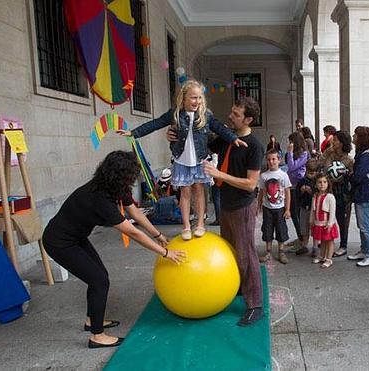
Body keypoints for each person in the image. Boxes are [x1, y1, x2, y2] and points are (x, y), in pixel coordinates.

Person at [42, 151, 185, 348]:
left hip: (75, 237)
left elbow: (135, 212)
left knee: (100, 276)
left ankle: (92, 320)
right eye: (130, 176)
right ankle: (97, 336)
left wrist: (158, 235)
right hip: (59, 242)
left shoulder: (116, 186)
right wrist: (165, 253)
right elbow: (132, 232)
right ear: (118, 175)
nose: (132, 180)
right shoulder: (99, 198)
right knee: (99, 281)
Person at [118, 80, 245, 241]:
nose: (197, 101)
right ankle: (185, 226)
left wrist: (234, 139)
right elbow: (155, 123)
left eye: (199, 98)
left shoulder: (206, 115)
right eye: (193, 98)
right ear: (183, 98)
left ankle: (200, 224)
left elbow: (219, 128)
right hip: (182, 160)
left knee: (199, 191)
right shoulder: (175, 114)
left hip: (199, 160)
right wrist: (133, 133)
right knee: (185, 193)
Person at [203, 97, 265, 326]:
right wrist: (176, 136)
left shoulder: (255, 146)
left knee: (246, 254)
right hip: (226, 205)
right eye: (231, 112)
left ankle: (255, 304)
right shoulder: (226, 138)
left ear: (248, 119)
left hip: (242, 206)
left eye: (236, 114)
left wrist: (220, 175)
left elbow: (251, 184)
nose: (230, 116)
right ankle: (235, 287)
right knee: (229, 251)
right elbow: (203, 142)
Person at [347, 126, 369, 267]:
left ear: (361, 138)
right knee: (362, 225)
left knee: (365, 226)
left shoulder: (366, 156)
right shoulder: (363, 154)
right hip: (362, 194)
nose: (353, 137)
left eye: (355, 135)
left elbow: (358, 176)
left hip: (365, 194)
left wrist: (349, 175)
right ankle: (364, 250)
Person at [320, 131, 354, 258]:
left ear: (342, 142)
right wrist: (326, 153)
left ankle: (343, 245)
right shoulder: (329, 154)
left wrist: (345, 175)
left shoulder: (349, 160)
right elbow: (319, 165)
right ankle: (326, 242)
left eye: (335, 140)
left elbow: (351, 177)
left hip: (342, 194)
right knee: (325, 217)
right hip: (328, 191)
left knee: (342, 220)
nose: (332, 142)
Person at [257, 149, 292, 264]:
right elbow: (261, 192)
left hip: (280, 208)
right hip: (268, 208)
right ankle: (268, 252)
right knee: (267, 229)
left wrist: (287, 209)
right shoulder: (263, 176)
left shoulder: (283, 175)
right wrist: (259, 206)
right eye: (269, 159)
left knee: (281, 230)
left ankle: (281, 251)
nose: (271, 162)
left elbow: (287, 192)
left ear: (279, 160)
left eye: (274, 159)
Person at [310, 173, 339, 268]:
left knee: (329, 241)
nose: (322, 184)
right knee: (322, 241)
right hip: (318, 223)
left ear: (328, 184)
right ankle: (322, 256)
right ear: (316, 184)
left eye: (324, 182)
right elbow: (313, 209)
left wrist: (330, 223)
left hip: (327, 223)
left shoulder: (330, 197)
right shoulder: (315, 196)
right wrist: (311, 219)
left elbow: (332, 211)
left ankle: (329, 259)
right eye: (319, 182)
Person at [286, 132, 310, 246]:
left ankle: (302, 239)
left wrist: (290, 152)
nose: (289, 144)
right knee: (293, 213)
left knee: (298, 213)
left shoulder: (304, 153)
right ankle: (299, 236)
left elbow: (292, 167)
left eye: (291, 141)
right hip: (291, 185)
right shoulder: (292, 153)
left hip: (298, 185)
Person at [295, 159, 319, 256]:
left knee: (314, 228)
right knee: (304, 228)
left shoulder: (317, 182)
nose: (310, 175)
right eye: (308, 172)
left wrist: (311, 192)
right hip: (304, 207)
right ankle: (304, 245)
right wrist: (301, 191)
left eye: (312, 173)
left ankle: (315, 247)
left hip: (314, 209)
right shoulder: (302, 181)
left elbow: (320, 194)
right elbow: (297, 194)